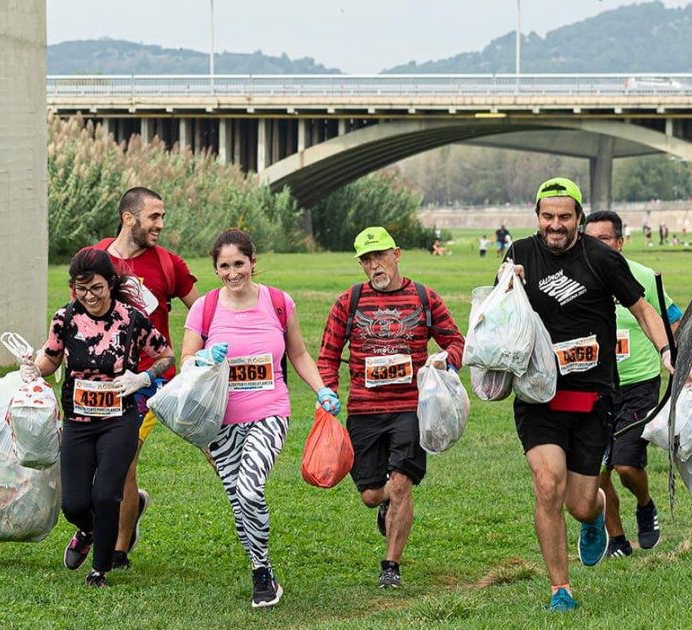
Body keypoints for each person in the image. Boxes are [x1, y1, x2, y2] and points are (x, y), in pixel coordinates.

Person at [501, 178, 673, 612]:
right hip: (538, 397)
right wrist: (508, 284)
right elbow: (500, 317)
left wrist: (667, 351)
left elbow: (643, 309)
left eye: (564, 217)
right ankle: (561, 589)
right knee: (546, 485)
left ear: (578, 217)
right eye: (547, 217)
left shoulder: (600, 258)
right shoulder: (519, 253)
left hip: (592, 400)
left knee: (578, 504)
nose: (555, 225)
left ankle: (595, 515)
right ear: (537, 216)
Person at [179, 228, 341, 608]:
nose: (233, 273)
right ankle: (259, 566)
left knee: (250, 488)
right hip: (217, 420)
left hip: (269, 412)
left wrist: (321, 389)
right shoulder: (205, 307)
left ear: (253, 262)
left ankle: (262, 570)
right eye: (224, 266)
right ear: (215, 269)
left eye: (239, 264)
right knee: (239, 500)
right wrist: (201, 359)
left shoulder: (279, 302)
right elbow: (187, 361)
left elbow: (299, 354)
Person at [317, 226, 465, 590]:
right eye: (366, 259)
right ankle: (385, 503)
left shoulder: (423, 298)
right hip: (364, 411)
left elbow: (457, 342)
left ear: (396, 254)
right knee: (371, 494)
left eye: (379, 256)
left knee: (401, 484)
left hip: (411, 411)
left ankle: (391, 566)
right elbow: (327, 355)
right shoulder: (348, 302)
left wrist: (446, 361)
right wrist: (327, 392)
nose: (373, 265)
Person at [27, 247, 174, 588]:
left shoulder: (130, 320)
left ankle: (100, 570)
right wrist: (32, 368)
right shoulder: (65, 319)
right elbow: (49, 359)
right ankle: (88, 529)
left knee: (106, 495)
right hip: (78, 422)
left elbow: (165, 354)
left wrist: (144, 378)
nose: (90, 297)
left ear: (110, 283)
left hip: (118, 420)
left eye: (96, 288)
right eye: (82, 289)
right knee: (75, 503)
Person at [94, 187, 199, 570]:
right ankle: (132, 506)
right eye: (154, 217)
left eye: (162, 217)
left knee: (122, 459)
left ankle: (117, 550)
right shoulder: (97, 258)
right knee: (99, 461)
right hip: (102, 378)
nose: (160, 224)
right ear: (129, 218)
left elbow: (203, 312)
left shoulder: (169, 264)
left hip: (151, 379)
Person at [583, 211, 682, 559]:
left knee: (625, 466)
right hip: (594, 385)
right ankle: (618, 540)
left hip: (638, 384)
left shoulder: (640, 276)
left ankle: (644, 503)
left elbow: (673, 319)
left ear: (620, 243)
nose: (596, 246)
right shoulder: (578, 279)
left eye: (604, 239)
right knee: (594, 472)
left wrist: (677, 357)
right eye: (589, 239)